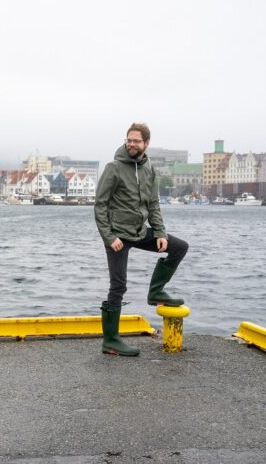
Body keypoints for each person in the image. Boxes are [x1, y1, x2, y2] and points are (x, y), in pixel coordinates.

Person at [94, 123, 189, 356]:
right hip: (118, 235)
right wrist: (109, 237)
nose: (131, 144)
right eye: (129, 140)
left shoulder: (149, 169)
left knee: (179, 247)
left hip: (139, 231)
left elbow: (153, 204)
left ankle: (156, 292)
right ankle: (111, 341)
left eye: (136, 141)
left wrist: (160, 233)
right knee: (118, 286)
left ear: (146, 143)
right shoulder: (114, 168)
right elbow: (100, 205)